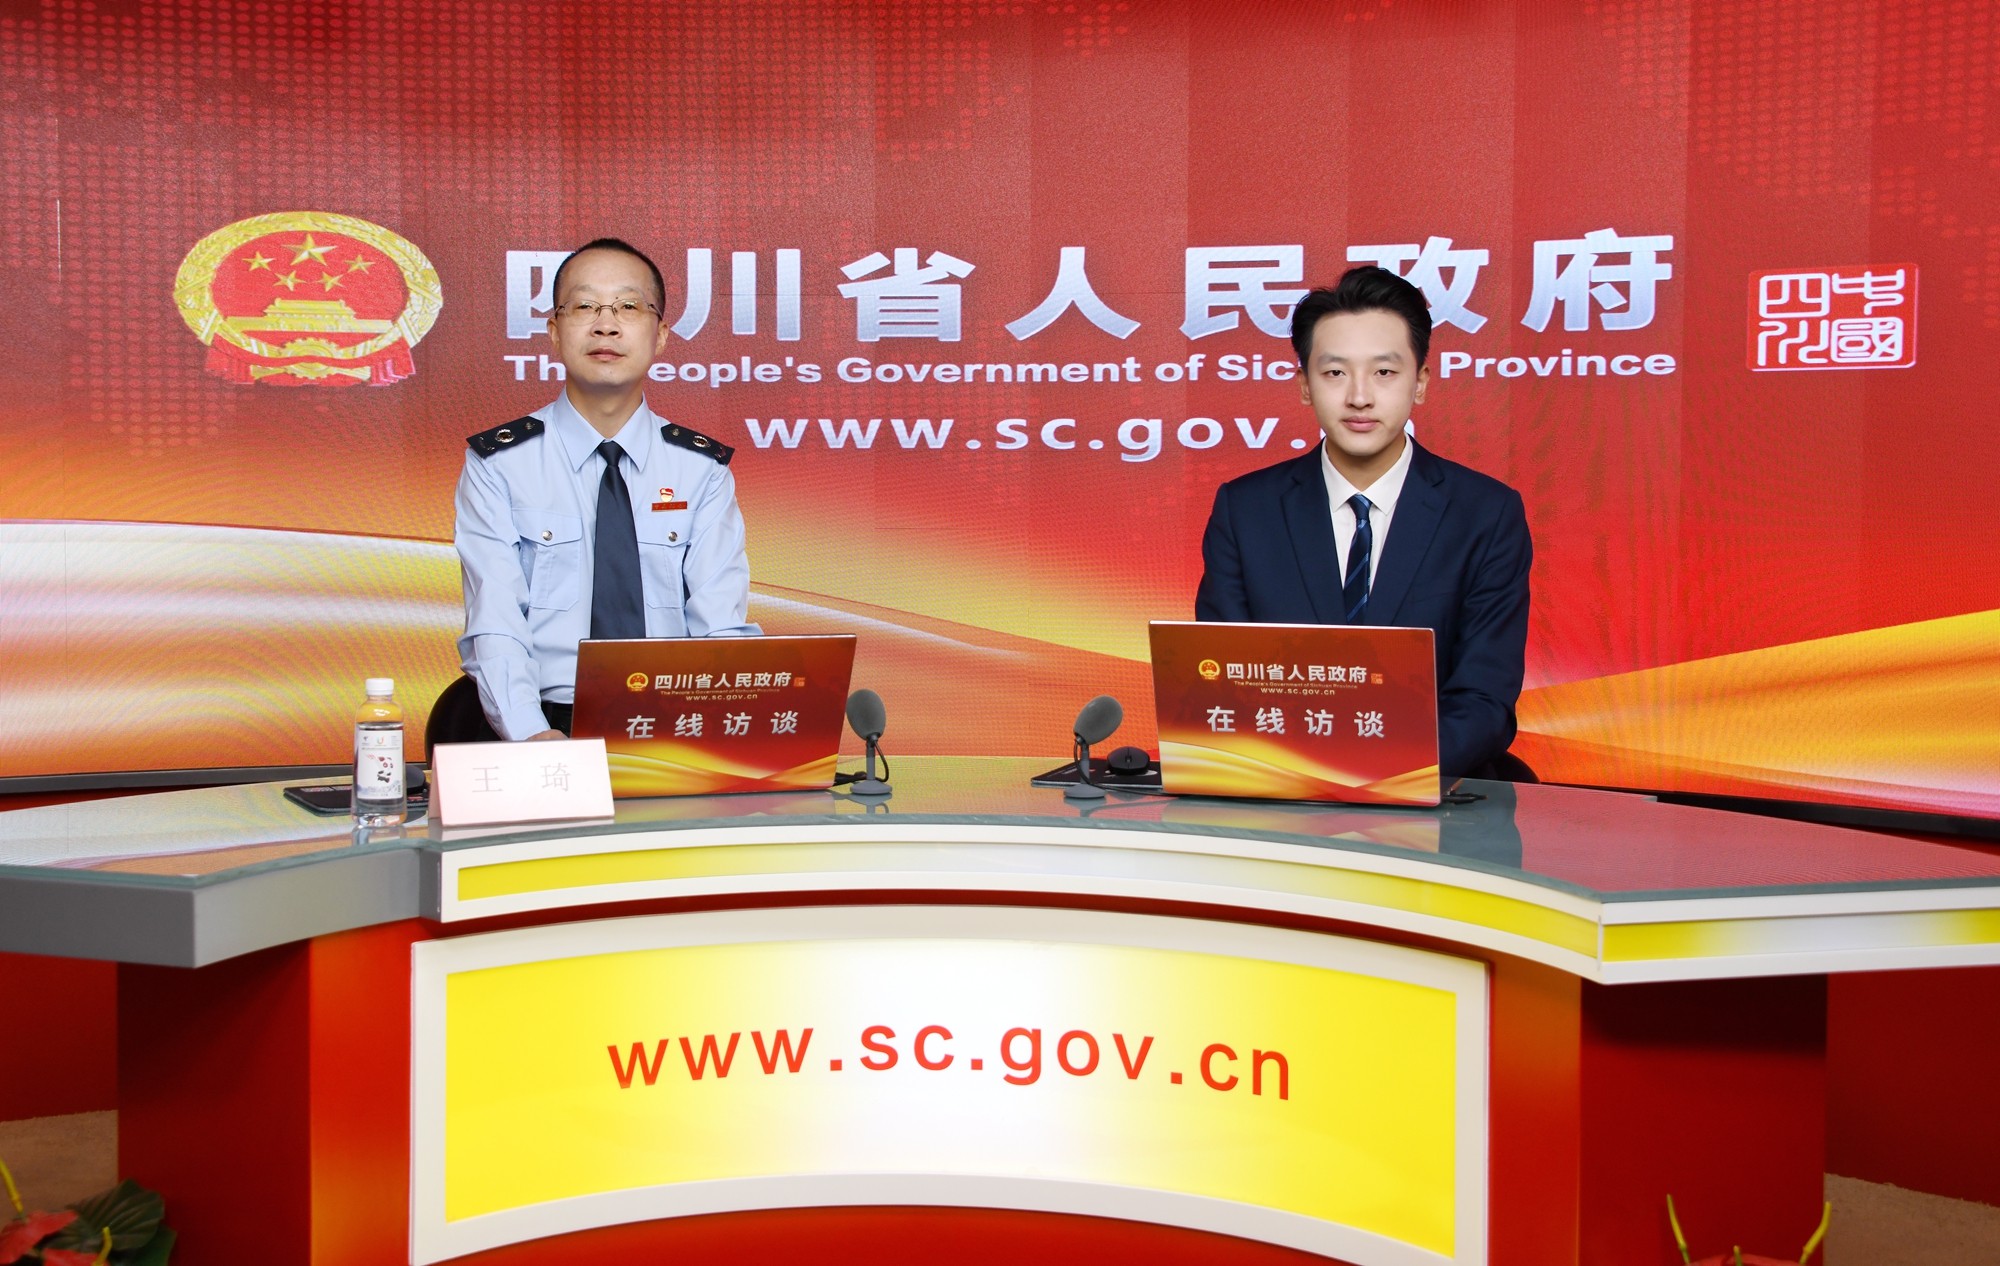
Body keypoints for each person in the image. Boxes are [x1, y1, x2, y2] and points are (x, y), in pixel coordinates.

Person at [1194, 265, 1532, 780]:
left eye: (1384, 372)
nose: (1359, 396)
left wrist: (1375, 773)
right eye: (1334, 373)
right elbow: (1222, 682)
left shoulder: (1485, 513)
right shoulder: (1246, 511)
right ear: (1304, 385)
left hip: (1434, 793)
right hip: (1281, 792)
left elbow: (1484, 700)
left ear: (1420, 382)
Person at [453, 237, 758, 741]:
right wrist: (533, 737)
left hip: (674, 727)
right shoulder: (500, 464)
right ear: (554, 332)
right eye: (584, 306)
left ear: (661, 336)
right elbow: (495, 622)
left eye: (629, 307)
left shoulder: (700, 469)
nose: (606, 325)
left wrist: (728, 730)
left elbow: (720, 627)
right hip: (546, 724)